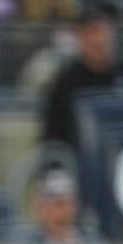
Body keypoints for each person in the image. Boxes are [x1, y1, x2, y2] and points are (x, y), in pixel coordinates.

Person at [41, 2, 122, 147]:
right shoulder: (65, 83)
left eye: (101, 31)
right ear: (79, 38)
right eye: (89, 32)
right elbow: (52, 140)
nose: (97, 39)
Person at [17, 164, 100, 244]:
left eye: (67, 203)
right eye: (58, 204)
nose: (64, 211)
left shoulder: (90, 240)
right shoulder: (28, 243)